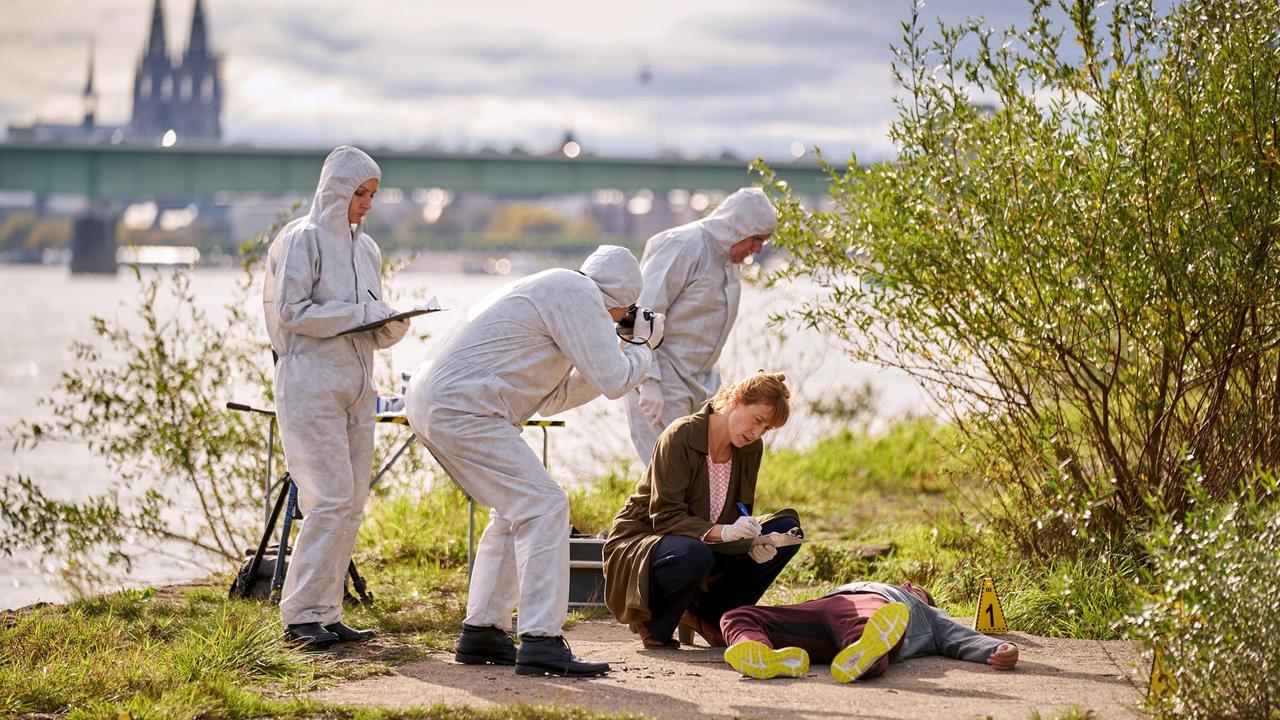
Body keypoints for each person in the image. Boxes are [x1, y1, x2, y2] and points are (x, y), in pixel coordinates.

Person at [404, 245, 662, 678]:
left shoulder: (560, 291)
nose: (620, 319)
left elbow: (553, 398)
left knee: (515, 511)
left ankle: (483, 630)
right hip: (463, 409)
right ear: (621, 297)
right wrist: (641, 346)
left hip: (445, 404)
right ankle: (542, 639)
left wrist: (621, 348)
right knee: (546, 505)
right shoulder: (577, 294)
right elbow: (617, 380)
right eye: (625, 311)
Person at [262, 145, 411, 649]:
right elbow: (292, 313)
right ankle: (299, 615)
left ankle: (326, 611)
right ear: (335, 190)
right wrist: (358, 315)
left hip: (358, 383)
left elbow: (368, 321)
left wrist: (394, 323)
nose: (367, 204)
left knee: (351, 503)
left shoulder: (368, 250)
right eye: (359, 193)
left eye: (372, 195)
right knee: (326, 499)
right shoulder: (301, 240)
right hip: (308, 380)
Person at [604, 372, 801, 650]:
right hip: (646, 541)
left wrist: (752, 542)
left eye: (766, 429)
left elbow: (739, 513)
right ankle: (653, 620)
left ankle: (711, 616)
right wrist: (727, 532)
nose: (757, 433)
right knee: (694, 553)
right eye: (758, 420)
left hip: (705, 545)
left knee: (785, 531)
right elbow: (665, 517)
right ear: (735, 400)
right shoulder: (680, 435)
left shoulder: (751, 449)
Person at [624, 187, 776, 464]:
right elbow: (638, 311)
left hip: (702, 385)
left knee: (699, 477)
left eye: (762, 243)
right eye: (755, 240)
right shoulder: (684, 245)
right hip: (663, 383)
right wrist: (649, 381)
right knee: (668, 476)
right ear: (736, 226)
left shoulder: (728, 259)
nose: (756, 250)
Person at [719, 580, 1020, 682]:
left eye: (920, 592)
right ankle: (763, 654)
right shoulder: (866, 586)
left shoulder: (925, 614)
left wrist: (996, 649)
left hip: (870, 611)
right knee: (738, 615)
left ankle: (862, 654)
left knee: (869, 628)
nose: (911, 587)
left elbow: (957, 635)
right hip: (827, 606)